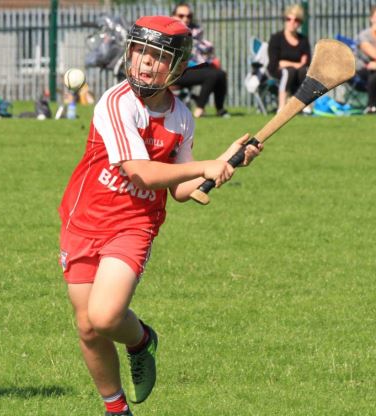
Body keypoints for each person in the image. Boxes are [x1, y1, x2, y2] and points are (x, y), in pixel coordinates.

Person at [58, 15, 261, 416]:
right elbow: (141, 172)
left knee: (105, 315)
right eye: (141, 52)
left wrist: (226, 161)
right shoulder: (117, 102)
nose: (147, 62)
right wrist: (205, 166)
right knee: (87, 327)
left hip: (134, 224)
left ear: (178, 66)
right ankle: (117, 409)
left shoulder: (181, 117)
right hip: (84, 219)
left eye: (159, 56)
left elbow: (181, 190)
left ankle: (141, 341)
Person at [172, 3, 229, 118]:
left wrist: (211, 61)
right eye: (181, 16)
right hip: (176, 72)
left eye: (189, 16)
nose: (185, 19)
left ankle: (220, 109)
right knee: (212, 75)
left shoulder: (195, 32)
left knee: (221, 73)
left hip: (192, 68)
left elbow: (201, 52)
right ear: (173, 16)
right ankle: (199, 108)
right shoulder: (170, 32)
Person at [267, 4, 311, 112]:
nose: (292, 22)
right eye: (288, 19)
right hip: (278, 72)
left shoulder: (303, 40)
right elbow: (275, 63)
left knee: (304, 71)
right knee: (288, 72)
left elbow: (307, 62)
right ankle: (281, 107)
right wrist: (296, 64)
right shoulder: (276, 38)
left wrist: (287, 63)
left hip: (299, 73)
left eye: (296, 20)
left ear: (300, 23)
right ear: (285, 20)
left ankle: (305, 106)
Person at [355, 5, 376, 114]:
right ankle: (371, 106)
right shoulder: (364, 35)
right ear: (371, 18)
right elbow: (373, 54)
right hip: (363, 69)